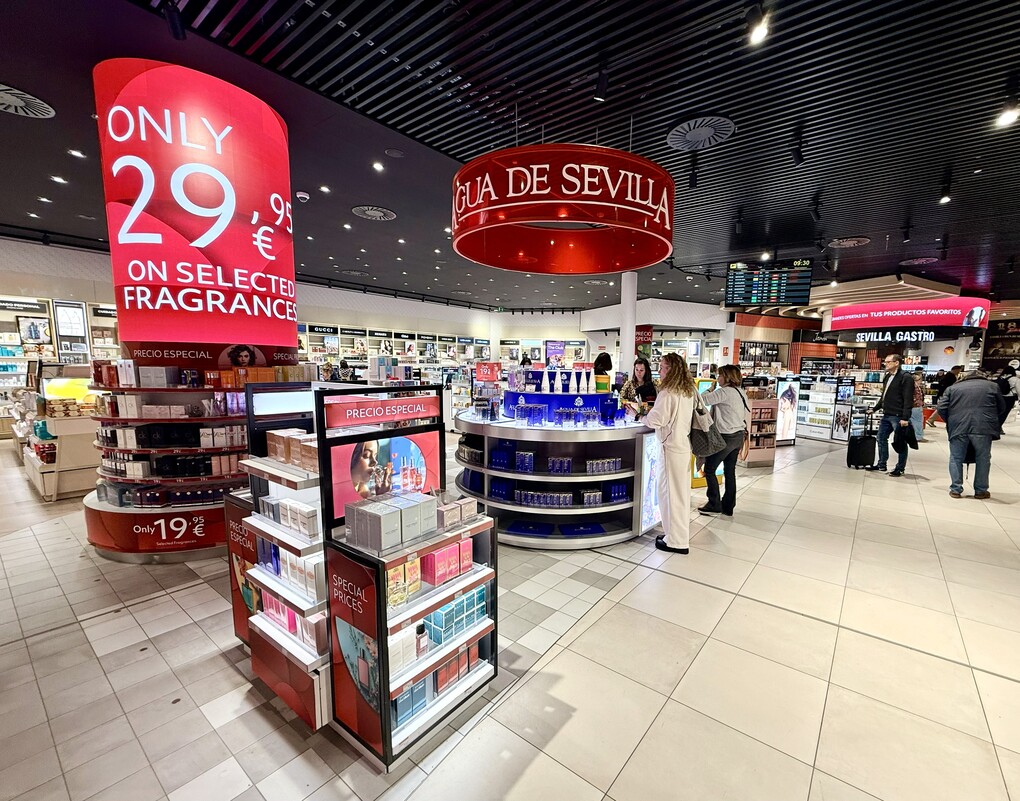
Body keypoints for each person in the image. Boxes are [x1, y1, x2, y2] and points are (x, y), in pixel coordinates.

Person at [630, 353, 696, 554]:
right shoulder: (687, 390)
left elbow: (655, 420)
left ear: (671, 369)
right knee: (680, 495)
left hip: (670, 448)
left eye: (663, 367)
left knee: (669, 494)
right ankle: (677, 536)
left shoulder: (668, 392)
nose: (659, 370)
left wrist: (637, 415)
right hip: (683, 446)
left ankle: (675, 541)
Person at [937, 369, 1005, 498]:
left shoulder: (953, 388)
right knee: (983, 458)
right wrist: (990, 418)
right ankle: (981, 490)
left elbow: (941, 408)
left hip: (958, 427)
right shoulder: (992, 386)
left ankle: (956, 489)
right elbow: (1002, 407)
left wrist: (951, 420)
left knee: (956, 457)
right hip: (983, 427)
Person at [698, 365, 749, 516]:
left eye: (719, 375)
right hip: (738, 436)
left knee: (709, 469)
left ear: (726, 377)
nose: (717, 378)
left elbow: (702, 399)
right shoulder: (740, 391)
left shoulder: (724, 392)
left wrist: (710, 389)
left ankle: (714, 503)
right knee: (729, 471)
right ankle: (728, 505)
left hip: (726, 436)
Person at [867, 354, 914, 476]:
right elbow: (884, 395)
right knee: (881, 438)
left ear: (896, 363)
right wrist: (875, 409)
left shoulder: (905, 377)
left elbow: (908, 398)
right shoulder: (887, 376)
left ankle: (900, 467)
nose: (885, 364)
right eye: (885, 362)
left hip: (898, 415)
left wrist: (905, 417)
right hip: (887, 414)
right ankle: (882, 464)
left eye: (888, 362)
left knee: (900, 441)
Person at [995, 365, 1019, 433]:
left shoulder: (1001, 377)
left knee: (998, 412)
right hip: (1010, 398)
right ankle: (998, 427)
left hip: (999, 397)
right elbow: (1019, 390)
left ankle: (995, 426)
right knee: (1004, 413)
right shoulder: (1015, 379)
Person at [911, 371, 926, 442]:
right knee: (918, 422)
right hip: (916, 407)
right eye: (919, 379)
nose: (921, 381)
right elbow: (917, 398)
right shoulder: (916, 387)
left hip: (912, 406)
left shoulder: (910, 386)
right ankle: (918, 437)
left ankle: (914, 436)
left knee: (913, 422)